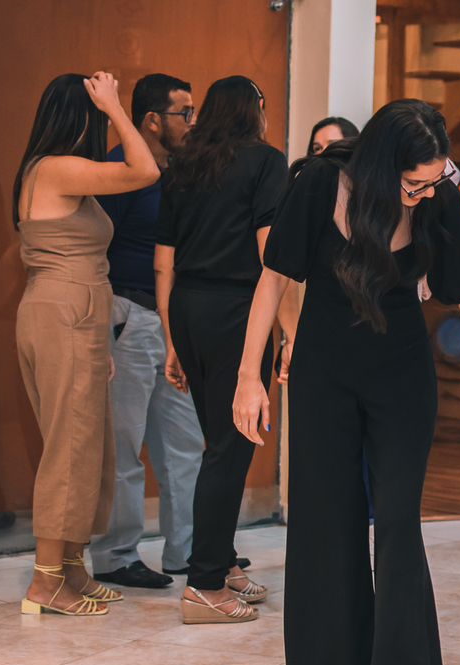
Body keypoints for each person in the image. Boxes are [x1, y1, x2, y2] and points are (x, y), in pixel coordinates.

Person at [233, 99, 460, 665]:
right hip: (323, 375)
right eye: (414, 183)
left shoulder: (438, 199)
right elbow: (273, 279)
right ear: (379, 166)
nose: (426, 192)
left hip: (402, 377)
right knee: (329, 524)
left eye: (435, 180)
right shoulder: (321, 183)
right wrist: (247, 378)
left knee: (399, 525)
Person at [13, 72, 160, 616]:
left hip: (75, 315)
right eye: (99, 117)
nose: (105, 127)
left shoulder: (57, 172)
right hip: (65, 313)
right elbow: (144, 170)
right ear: (84, 116)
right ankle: (45, 582)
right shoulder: (57, 168)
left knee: (89, 446)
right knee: (69, 449)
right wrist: (119, 108)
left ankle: (70, 569)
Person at [155, 75, 293, 624]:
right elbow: (271, 257)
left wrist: (171, 338)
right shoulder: (264, 160)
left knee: (220, 441)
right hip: (238, 310)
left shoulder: (184, 163)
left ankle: (223, 561)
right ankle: (205, 583)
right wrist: (290, 331)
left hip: (187, 308)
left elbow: (163, 259)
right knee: (230, 446)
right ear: (254, 109)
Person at [89, 73, 203, 589]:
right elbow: (94, 247)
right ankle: (116, 556)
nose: (192, 123)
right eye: (185, 113)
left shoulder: (179, 171)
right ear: (152, 120)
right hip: (126, 315)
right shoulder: (117, 168)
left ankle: (189, 551)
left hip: (170, 322)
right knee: (123, 445)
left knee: (185, 440)